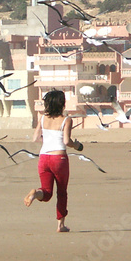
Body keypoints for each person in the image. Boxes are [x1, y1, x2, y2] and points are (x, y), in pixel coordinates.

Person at [24, 89, 81, 232]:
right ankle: (60, 225)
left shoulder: (43, 118)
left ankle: (35, 194)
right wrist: (77, 145)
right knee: (61, 192)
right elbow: (67, 141)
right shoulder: (67, 120)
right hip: (59, 159)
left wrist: (47, 139)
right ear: (62, 104)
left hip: (44, 158)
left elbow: (35, 138)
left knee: (46, 192)